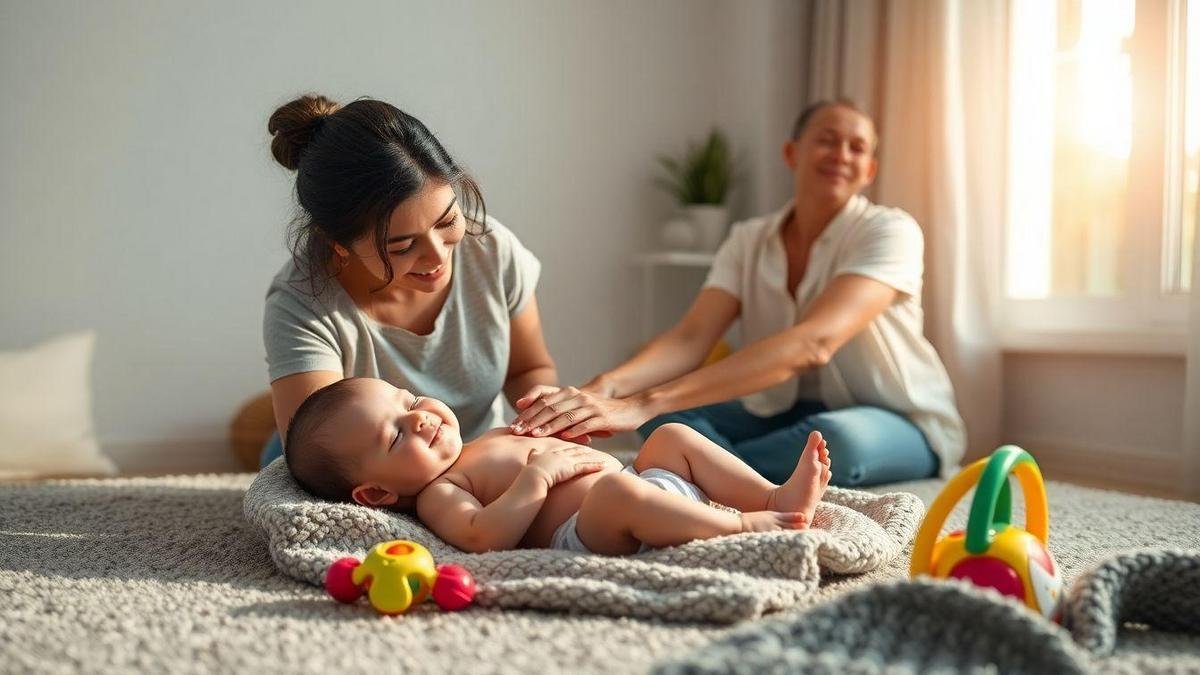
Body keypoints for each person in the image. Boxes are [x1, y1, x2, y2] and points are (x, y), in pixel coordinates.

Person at [509, 100, 965, 486]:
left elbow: (814, 344)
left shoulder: (891, 230)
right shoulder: (748, 239)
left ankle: (700, 468)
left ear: (869, 170)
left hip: (893, 418)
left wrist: (640, 401)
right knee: (659, 423)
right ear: (791, 152)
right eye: (827, 139)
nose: (841, 154)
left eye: (857, 147)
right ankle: (716, 468)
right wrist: (601, 391)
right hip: (778, 411)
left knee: (833, 443)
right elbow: (691, 338)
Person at [259, 95, 566, 467]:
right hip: (352, 466)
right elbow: (330, 469)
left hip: (479, 455)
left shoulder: (491, 250)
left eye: (448, 221)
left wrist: (541, 421)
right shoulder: (301, 307)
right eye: (402, 246)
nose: (438, 256)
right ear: (339, 245)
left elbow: (527, 369)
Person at [284, 377, 832, 555]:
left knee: (670, 435)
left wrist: (560, 428)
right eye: (397, 433)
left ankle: (770, 497)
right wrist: (536, 477)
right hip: (596, 529)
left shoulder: (488, 436)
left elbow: (565, 446)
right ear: (376, 494)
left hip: (643, 488)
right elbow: (483, 538)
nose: (421, 419)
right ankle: (741, 525)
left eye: (408, 401)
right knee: (617, 496)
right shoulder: (441, 492)